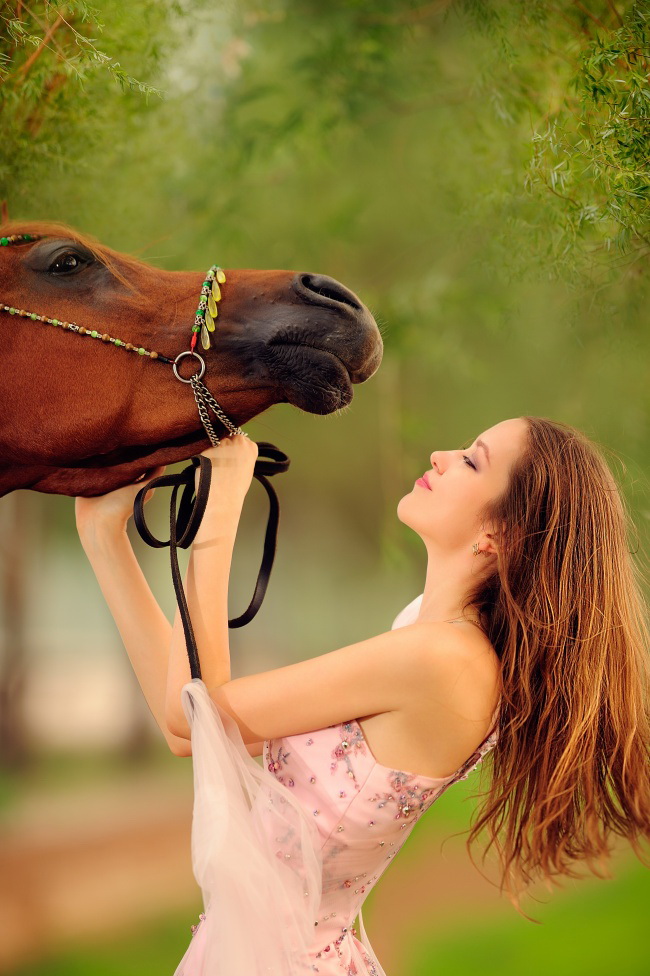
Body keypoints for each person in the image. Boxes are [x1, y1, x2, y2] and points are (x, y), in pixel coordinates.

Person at [75, 416, 650, 975]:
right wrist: (104, 536)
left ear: (500, 535)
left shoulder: (445, 661)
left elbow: (194, 713)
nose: (440, 457)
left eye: (471, 461)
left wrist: (221, 507)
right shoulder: (430, 638)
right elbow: (191, 732)